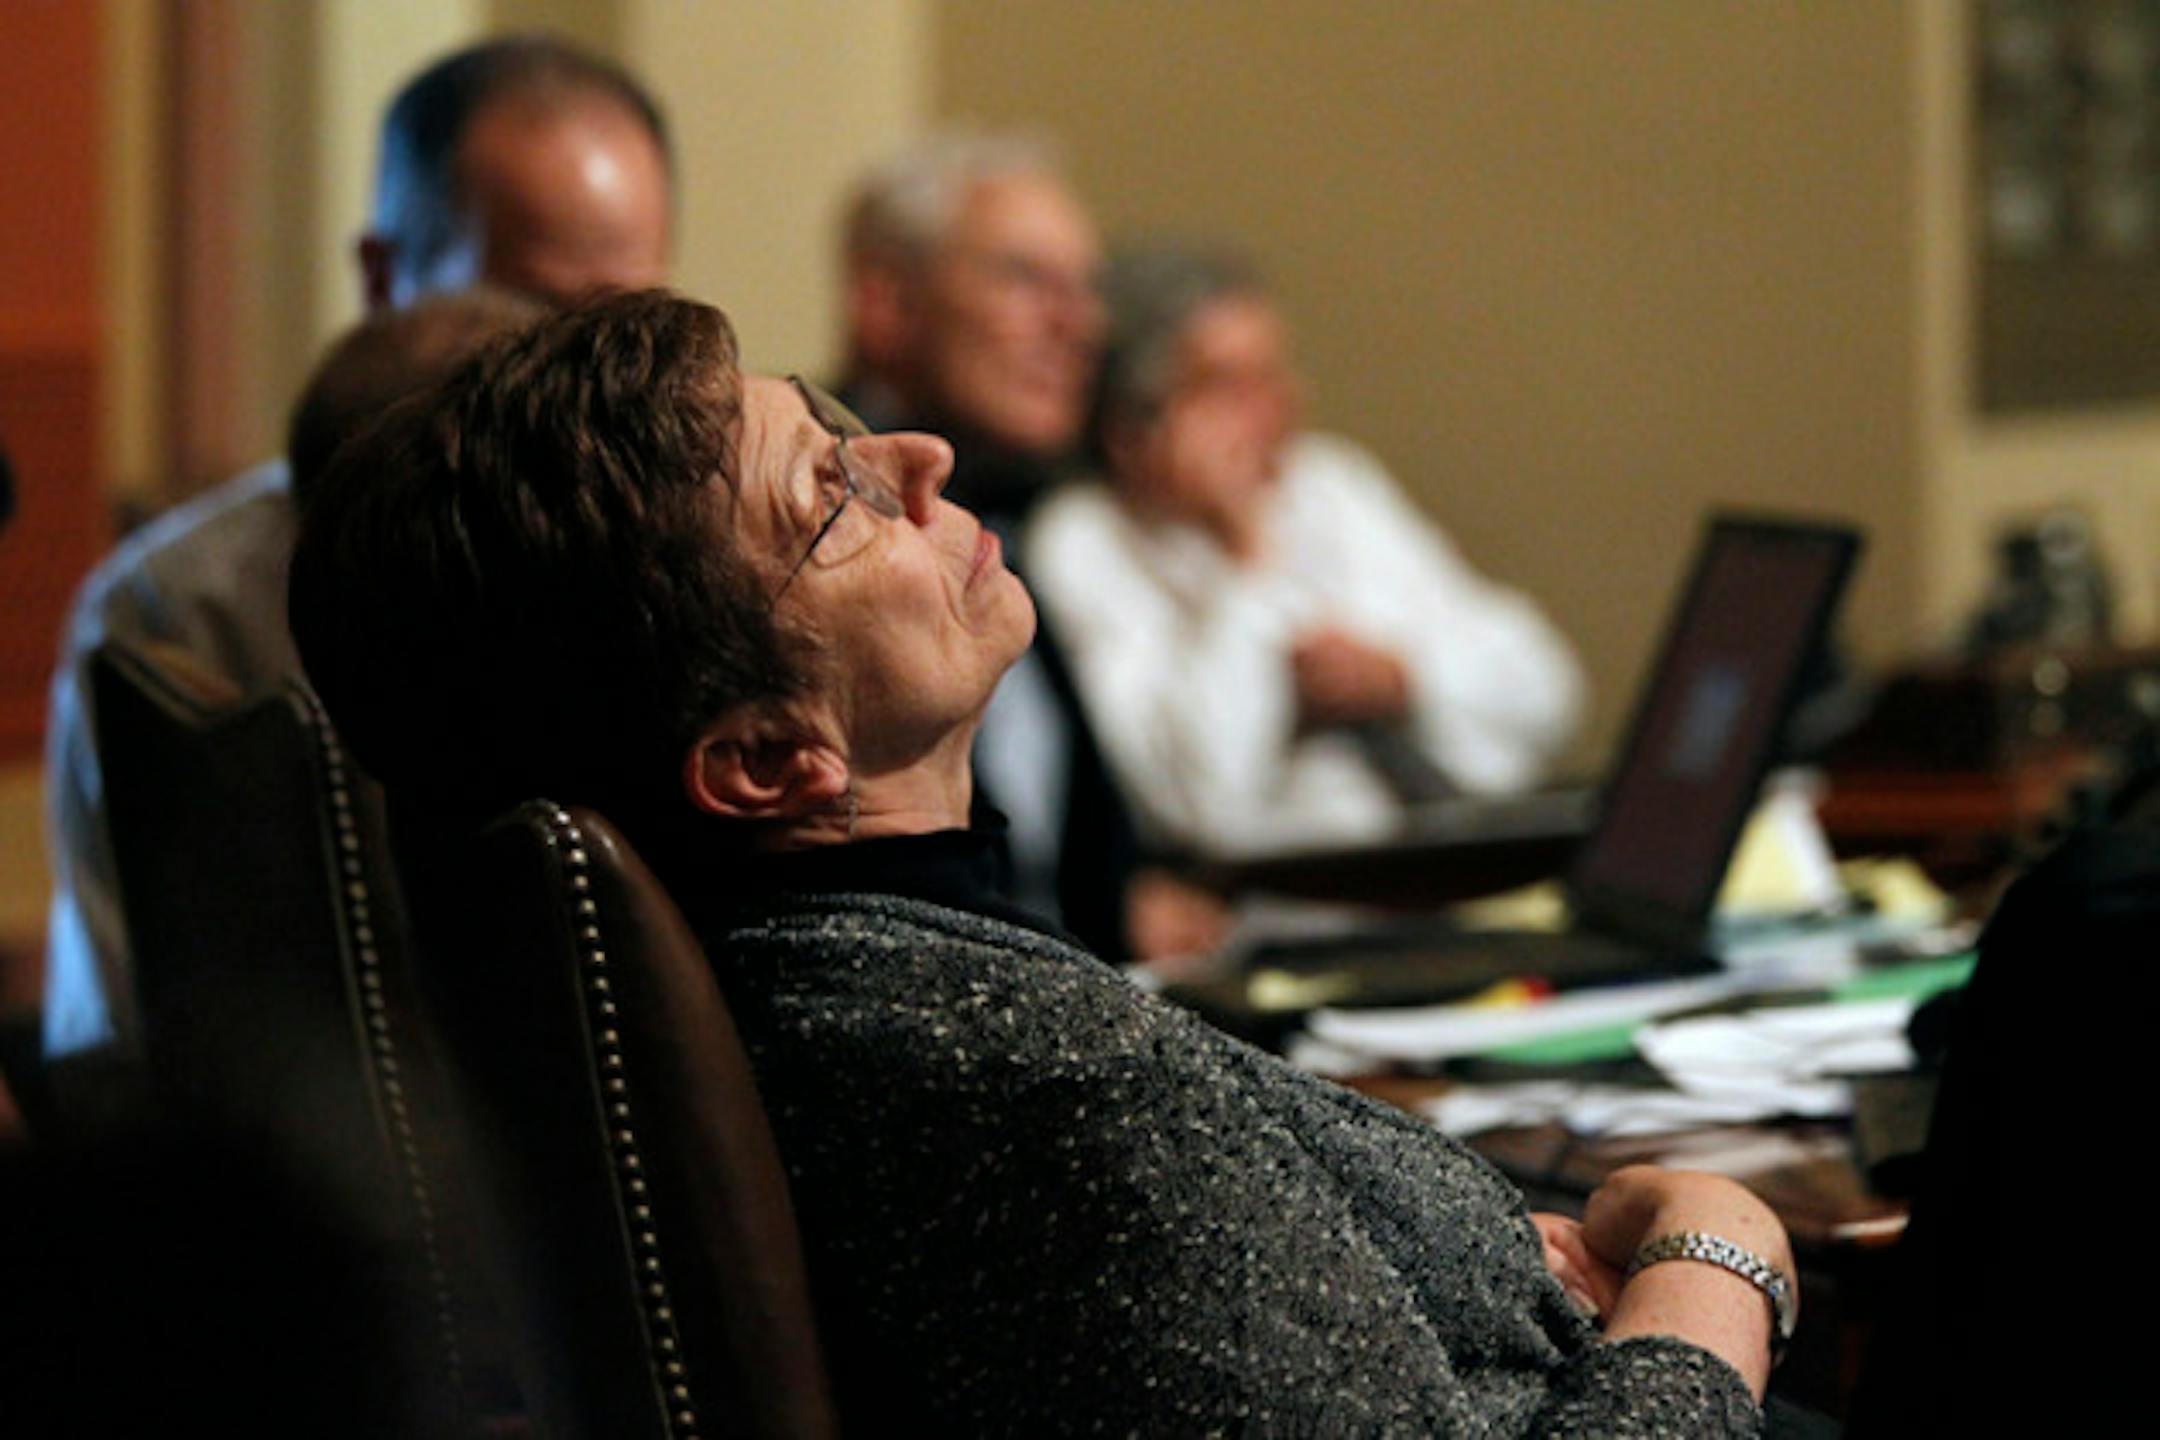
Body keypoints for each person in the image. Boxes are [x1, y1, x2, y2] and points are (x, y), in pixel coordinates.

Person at [291, 289, 1794, 1434]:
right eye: (834, 494)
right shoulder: (1024, 1078)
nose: (922, 457)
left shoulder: (834, 994)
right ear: (765, 758)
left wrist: (1420, 1255)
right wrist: (1714, 1266)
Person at [41, 36, 671, 1067]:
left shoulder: (686, 579)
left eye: (626, 324)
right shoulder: (183, 609)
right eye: (536, 319)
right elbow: (132, 1040)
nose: (583, 382)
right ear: (386, 277)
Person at [1027, 245, 1586, 857]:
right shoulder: (1081, 543)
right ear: (1132, 428)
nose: (1279, 406)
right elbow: (1199, 802)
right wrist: (1243, 554)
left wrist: (1401, 680)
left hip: (1451, 855)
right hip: (1281, 904)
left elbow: (1547, 689)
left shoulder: (1330, 486)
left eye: (1277, 373)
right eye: (1230, 386)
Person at [836, 133, 1226, 962]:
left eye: (1086, 291)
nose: (1079, 326)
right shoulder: (813, 526)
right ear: (887, 305)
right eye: (1025, 279)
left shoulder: (1015, 506)